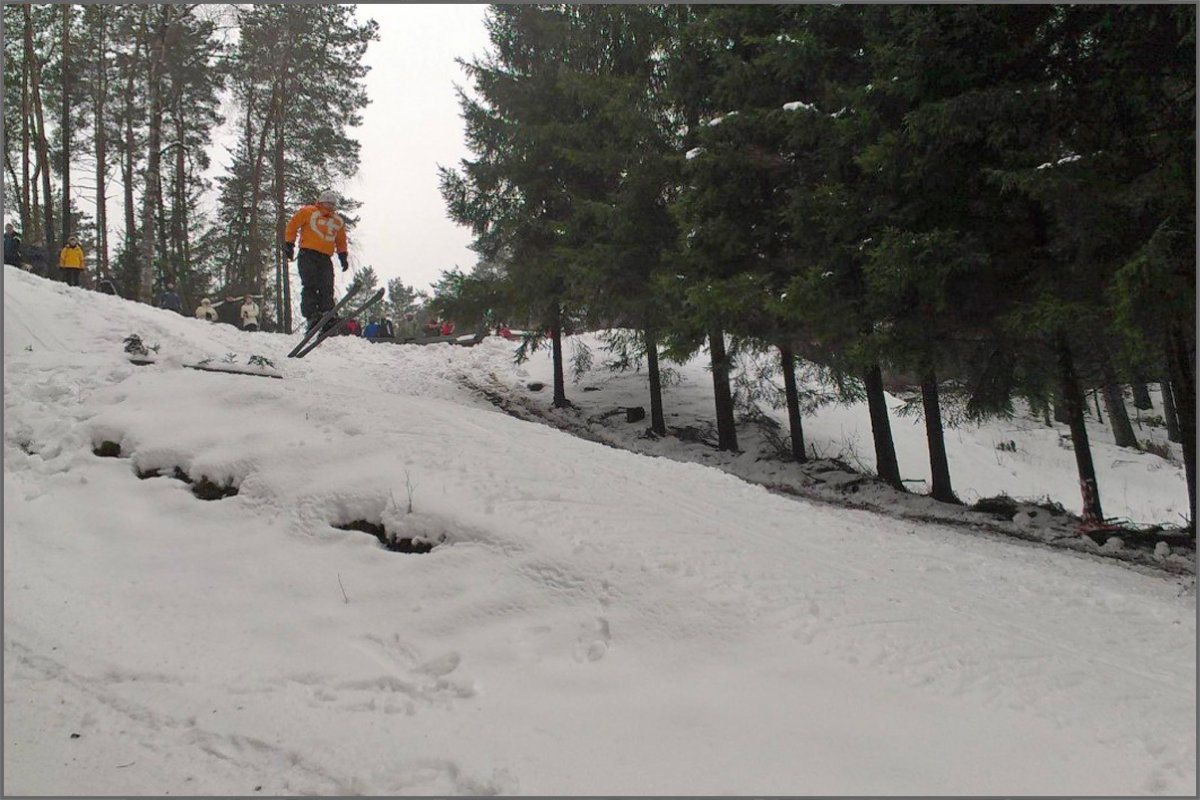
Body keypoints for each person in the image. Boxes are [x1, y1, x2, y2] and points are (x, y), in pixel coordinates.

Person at [283, 189, 349, 331]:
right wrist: (289, 244)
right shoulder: (308, 212)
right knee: (310, 284)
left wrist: (343, 255)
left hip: (325, 257)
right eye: (327, 203)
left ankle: (328, 313)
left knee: (327, 286)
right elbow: (293, 225)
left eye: (332, 204)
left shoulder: (337, 221)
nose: (329, 207)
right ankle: (312, 314)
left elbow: (341, 240)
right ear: (321, 202)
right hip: (308, 254)